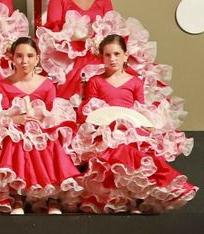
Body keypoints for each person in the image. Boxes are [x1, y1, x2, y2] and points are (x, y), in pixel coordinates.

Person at [72, 35, 197, 212]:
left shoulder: (135, 82)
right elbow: (90, 109)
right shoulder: (95, 81)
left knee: (136, 154)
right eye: (107, 55)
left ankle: (136, 198)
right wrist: (101, 125)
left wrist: (143, 124)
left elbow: (140, 108)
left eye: (116, 54)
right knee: (115, 154)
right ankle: (118, 200)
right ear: (102, 57)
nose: (112, 59)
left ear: (125, 55)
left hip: (131, 129)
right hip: (105, 131)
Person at [0, 37, 80, 214]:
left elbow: (53, 112)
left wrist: (42, 121)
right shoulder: (4, 85)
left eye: (30, 56)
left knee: (48, 141)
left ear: (37, 58)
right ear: (12, 58)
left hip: (42, 129)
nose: (24, 61)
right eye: (20, 56)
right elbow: (0, 113)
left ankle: (51, 197)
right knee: (14, 141)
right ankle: (17, 198)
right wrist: (15, 121)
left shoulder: (46, 84)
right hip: (15, 129)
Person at [37, 0, 117, 94]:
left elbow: (112, 35)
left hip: (100, 58)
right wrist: (78, 41)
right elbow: (54, 33)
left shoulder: (104, 0)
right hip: (70, 61)